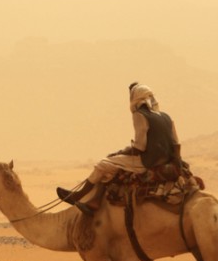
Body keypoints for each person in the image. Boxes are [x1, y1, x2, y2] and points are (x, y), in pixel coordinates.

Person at [57, 82, 181, 215]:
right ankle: (95, 201)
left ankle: (78, 195)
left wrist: (121, 152)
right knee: (114, 164)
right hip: (167, 159)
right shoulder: (166, 117)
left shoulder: (140, 115)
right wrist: (176, 162)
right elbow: (176, 144)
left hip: (148, 161)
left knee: (104, 164)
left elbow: (140, 147)